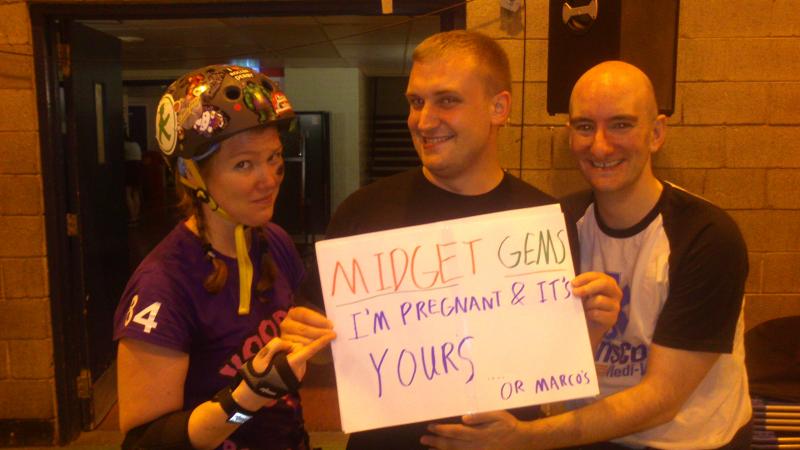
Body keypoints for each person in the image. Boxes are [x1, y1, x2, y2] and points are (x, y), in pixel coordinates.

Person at [279, 31, 622, 450]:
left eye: (447, 101)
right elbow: (321, 346)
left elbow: (551, 376)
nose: (423, 121)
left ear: (499, 108)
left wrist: (589, 330)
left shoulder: (543, 222)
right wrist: (304, 338)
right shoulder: (362, 212)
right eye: (416, 101)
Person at [421, 61, 752, 449]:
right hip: (582, 431)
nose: (600, 145)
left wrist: (525, 438)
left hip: (687, 442)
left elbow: (662, 399)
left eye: (621, 124)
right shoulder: (553, 226)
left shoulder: (707, 237)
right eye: (584, 126)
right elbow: (537, 360)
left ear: (656, 133)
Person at [112, 64, 335, 450]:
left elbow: (297, 354)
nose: (269, 179)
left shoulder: (274, 242)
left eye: (273, 157)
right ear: (191, 175)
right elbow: (144, 443)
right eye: (244, 164)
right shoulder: (162, 285)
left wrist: (321, 347)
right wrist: (246, 400)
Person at [124, 130, 143, 225]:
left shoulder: (125, 145)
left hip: (129, 168)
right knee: (136, 193)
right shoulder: (136, 144)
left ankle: (132, 217)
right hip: (138, 168)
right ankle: (136, 215)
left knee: (127, 193)